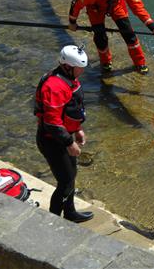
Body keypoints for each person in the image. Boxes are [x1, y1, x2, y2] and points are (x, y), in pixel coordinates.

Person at [34, 45, 93, 223]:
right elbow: (52, 122)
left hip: (64, 136)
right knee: (65, 181)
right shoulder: (54, 86)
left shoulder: (69, 79)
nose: (82, 71)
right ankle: (54, 219)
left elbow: (69, 112)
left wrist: (78, 130)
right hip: (52, 141)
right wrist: (69, 142)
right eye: (79, 68)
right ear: (68, 66)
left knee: (71, 176)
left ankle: (70, 213)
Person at [68, 0, 154, 74]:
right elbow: (76, 5)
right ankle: (106, 62)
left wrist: (152, 27)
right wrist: (72, 22)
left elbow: (139, 9)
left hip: (116, 5)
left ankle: (140, 63)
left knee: (129, 35)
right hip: (95, 9)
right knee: (100, 37)